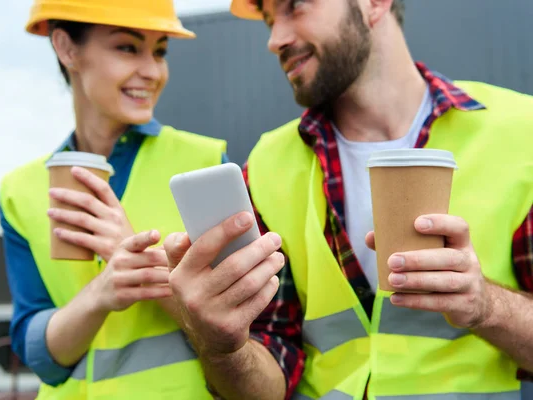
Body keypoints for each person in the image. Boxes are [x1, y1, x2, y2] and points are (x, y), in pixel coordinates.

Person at [162, 0, 533, 399]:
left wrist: (487, 306)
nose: (275, 39)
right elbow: (264, 383)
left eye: (294, 7)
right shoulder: (269, 164)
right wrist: (222, 347)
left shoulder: (521, 134)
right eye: (270, 21)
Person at [0, 1, 230, 398]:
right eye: (128, 48)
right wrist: (99, 294)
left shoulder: (205, 163)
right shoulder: (20, 190)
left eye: (159, 52)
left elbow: (237, 322)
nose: (152, 71)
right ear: (67, 49)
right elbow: (37, 354)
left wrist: (142, 264)